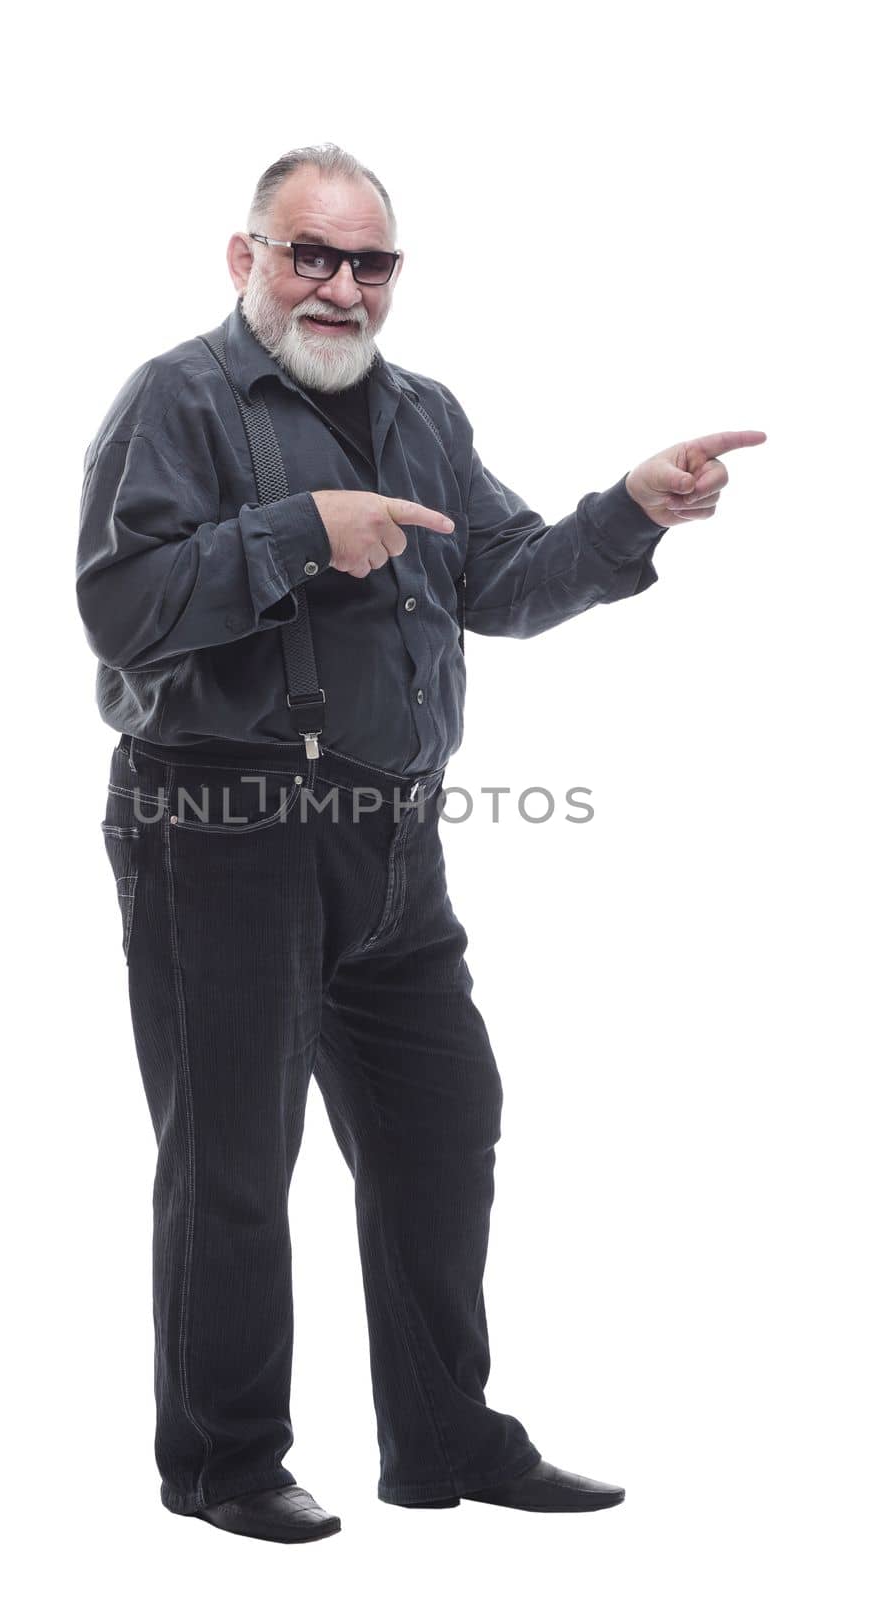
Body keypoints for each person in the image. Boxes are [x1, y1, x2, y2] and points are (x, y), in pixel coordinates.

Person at [75, 141, 765, 1545]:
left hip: (393, 841)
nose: (338, 286)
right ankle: (223, 1463)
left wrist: (626, 513)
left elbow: (500, 582)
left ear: (395, 276)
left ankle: (444, 1441)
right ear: (245, 260)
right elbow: (122, 605)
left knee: (446, 1124)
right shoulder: (178, 401)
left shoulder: (424, 414)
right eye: (307, 255)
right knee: (232, 1158)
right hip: (221, 833)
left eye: (367, 261)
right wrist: (295, 535)